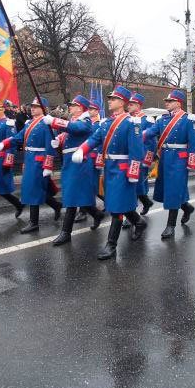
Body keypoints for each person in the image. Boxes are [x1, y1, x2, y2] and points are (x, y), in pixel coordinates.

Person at [72, 86, 146, 260]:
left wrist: (133, 172)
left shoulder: (131, 122)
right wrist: (82, 150)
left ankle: (111, 245)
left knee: (116, 208)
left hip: (122, 169)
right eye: (110, 98)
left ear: (122, 102)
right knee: (116, 203)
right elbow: (94, 139)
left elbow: (137, 151)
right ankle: (139, 222)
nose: (110, 101)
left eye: (113, 99)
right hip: (109, 168)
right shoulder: (105, 123)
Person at [0, 96, 62, 234]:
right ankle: (56, 205)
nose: (32, 108)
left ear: (43, 108)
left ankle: (34, 222)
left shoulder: (46, 123)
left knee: (33, 190)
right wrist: (4, 144)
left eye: (36, 106)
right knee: (34, 188)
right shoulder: (29, 123)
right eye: (32, 106)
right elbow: (18, 138)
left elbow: (50, 147)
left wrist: (48, 166)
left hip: (39, 161)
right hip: (29, 159)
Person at [44, 95, 106, 245]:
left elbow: (75, 128)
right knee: (77, 195)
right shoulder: (74, 121)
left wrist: (53, 121)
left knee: (71, 196)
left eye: (73, 105)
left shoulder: (85, 121)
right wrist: (58, 141)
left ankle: (66, 233)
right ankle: (96, 214)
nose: (70, 107)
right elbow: (68, 133)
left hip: (80, 163)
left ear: (80, 108)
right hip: (70, 163)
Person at [142, 89, 195, 239]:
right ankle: (187, 208)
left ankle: (170, 226)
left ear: (178, 103)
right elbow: (150, 133)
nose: (166, 103)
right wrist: (135, 137)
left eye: (169, 101)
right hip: (165, 158)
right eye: (166, 101)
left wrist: (191, 161)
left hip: (179, 159)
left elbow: (194, 141)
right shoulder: (161, 120)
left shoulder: (188, 119)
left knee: (174, 190)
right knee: (168, 189)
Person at [128, 93, 156, 215]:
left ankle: (131, 213)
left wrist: (147, 159)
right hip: (131, 156)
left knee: (137, 184)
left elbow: (152, 142)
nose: (129, 106)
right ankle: (145, 202)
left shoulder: (147, 119)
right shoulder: (128, 119)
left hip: (142, 156)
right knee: (134, 184)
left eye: (131, 104)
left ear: (138, 105)